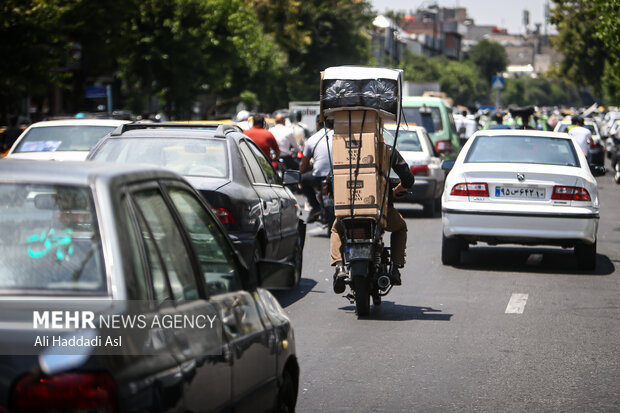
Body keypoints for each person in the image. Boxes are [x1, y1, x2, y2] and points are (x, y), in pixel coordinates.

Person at [331, 145, 415, 293]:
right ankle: (395, 267)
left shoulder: (345, 148)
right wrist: (400, 188)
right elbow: (408, 178)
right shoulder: (387, 150)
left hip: (348, 210)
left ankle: (339, 267)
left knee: (336, 229)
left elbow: (333, 177)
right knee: (400, 227)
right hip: (381, 211)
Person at [299, 117, 333, 223]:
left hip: (319, 176)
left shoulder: (312, 139)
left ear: (318, 124)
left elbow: (304, 164)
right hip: (338, 175)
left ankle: (315, 207)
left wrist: (299, 175)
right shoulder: (341, 136)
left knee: (303, 179)